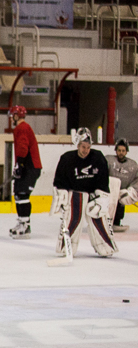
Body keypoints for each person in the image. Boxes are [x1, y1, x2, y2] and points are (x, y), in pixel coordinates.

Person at [51, 128, 117, 258]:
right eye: (83, 147)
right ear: (77, 145)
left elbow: (103, 180)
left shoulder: (98, 157)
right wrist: (62, 195)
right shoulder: (67, 159)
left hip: (93, 194)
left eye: (88, 147)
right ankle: (66, 247)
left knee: (98, 217)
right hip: (76, 193)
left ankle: (105, 246)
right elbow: (59, 181)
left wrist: (102, 197)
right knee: (73, 218)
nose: (85, 150)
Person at [8, 105, 42, 239]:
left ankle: (25, 225)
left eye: (12, 116)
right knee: (18, 194)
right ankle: (21, 222)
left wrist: (20, 164)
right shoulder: (22, 127)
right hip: (26, 166)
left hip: (30, 166)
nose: (11, 119)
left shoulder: (22, 128)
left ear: (17, 116)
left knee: (22, 194)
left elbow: (23, 147)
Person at [109, 139, 137, 232]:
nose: (121, 153)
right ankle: (107, 221)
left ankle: (117, 222)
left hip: (122, 193)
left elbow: (136, 180)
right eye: (119, 150)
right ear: (116, 151)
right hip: (109, 193)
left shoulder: (133, 165)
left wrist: (131, 191)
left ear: (126, 151)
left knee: (122, 201)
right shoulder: (108, 161)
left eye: (123, 150)